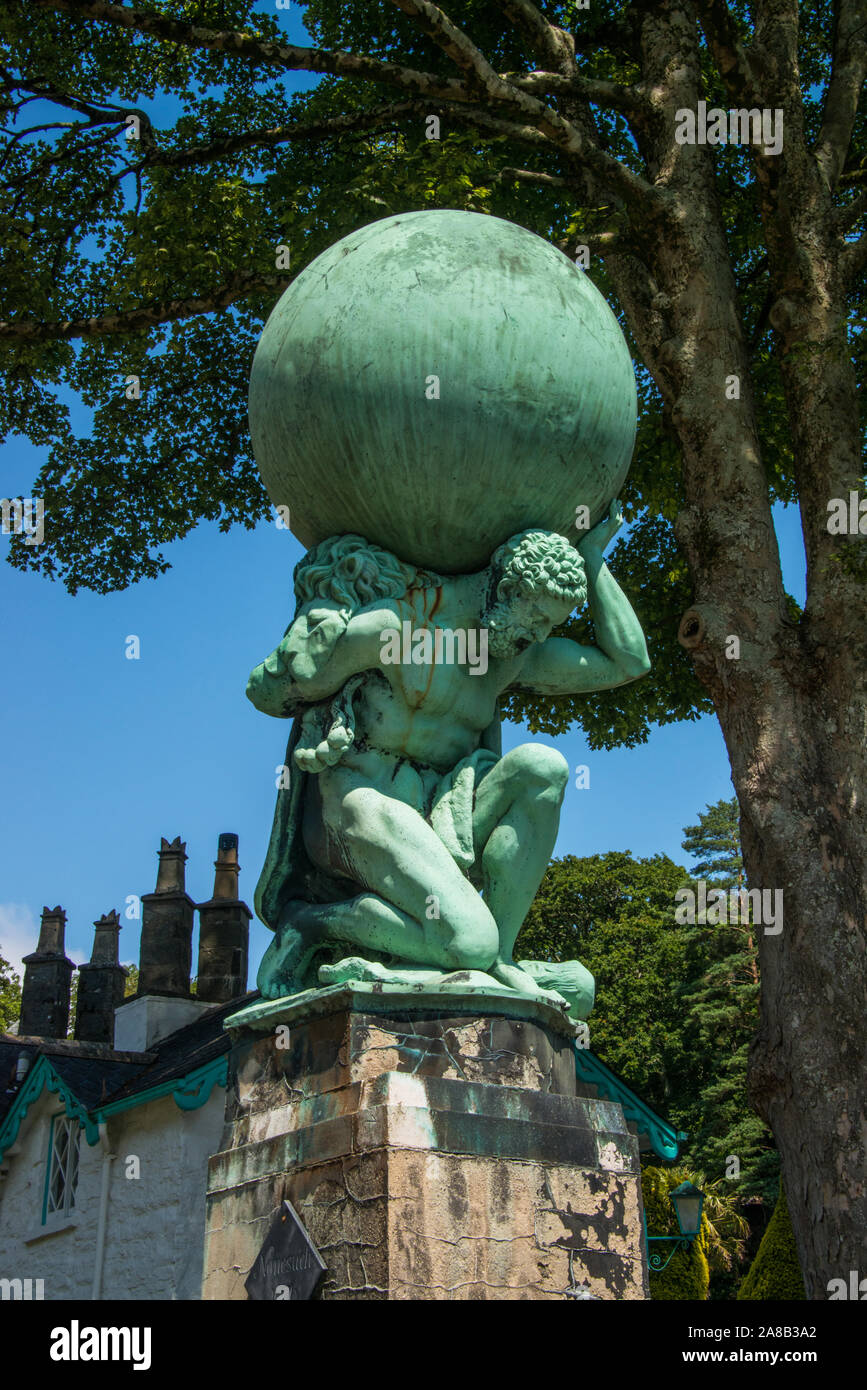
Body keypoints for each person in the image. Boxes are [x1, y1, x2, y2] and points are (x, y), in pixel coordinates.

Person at [247, 502, 649, 1008]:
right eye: (540, 619)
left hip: (442, 815)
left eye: (551, 625)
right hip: (357, 804)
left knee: (543, 767)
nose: (542, 636)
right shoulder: (400, 630)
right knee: (467, 941)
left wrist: (591, 560)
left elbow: (628, 661)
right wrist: (311, 637)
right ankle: (310, 923)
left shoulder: (507, 657)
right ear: (505, 591)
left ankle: (496, 955)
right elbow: (270, 691)